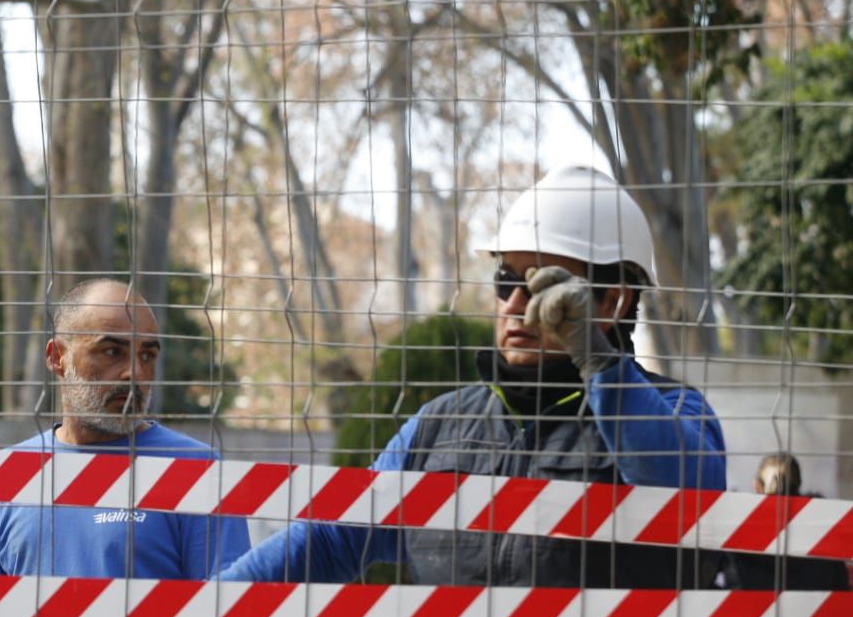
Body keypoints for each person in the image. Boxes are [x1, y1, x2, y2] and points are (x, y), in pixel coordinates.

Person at [221, 164, 727, 588]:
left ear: (613, 301)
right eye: (505, 280)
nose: (513, 303)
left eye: (541, 286)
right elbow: (331, 537)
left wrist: (596, 361)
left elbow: (692, 499)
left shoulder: (677, 412)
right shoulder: (436, 427)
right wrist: (202, 606)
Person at [0, 278, 250, 578]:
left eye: (147, 355)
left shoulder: (197, 469)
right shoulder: (1, 478)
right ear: (57, 357)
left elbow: (226, 608)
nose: (133, 373)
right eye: (112, 352)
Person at [723, 453, 850, 590]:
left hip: (746, 609)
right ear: (799, 484)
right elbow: (840, 581)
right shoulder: (823, 521)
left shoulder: (739, 526)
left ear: (757, 486)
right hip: (815, 608)